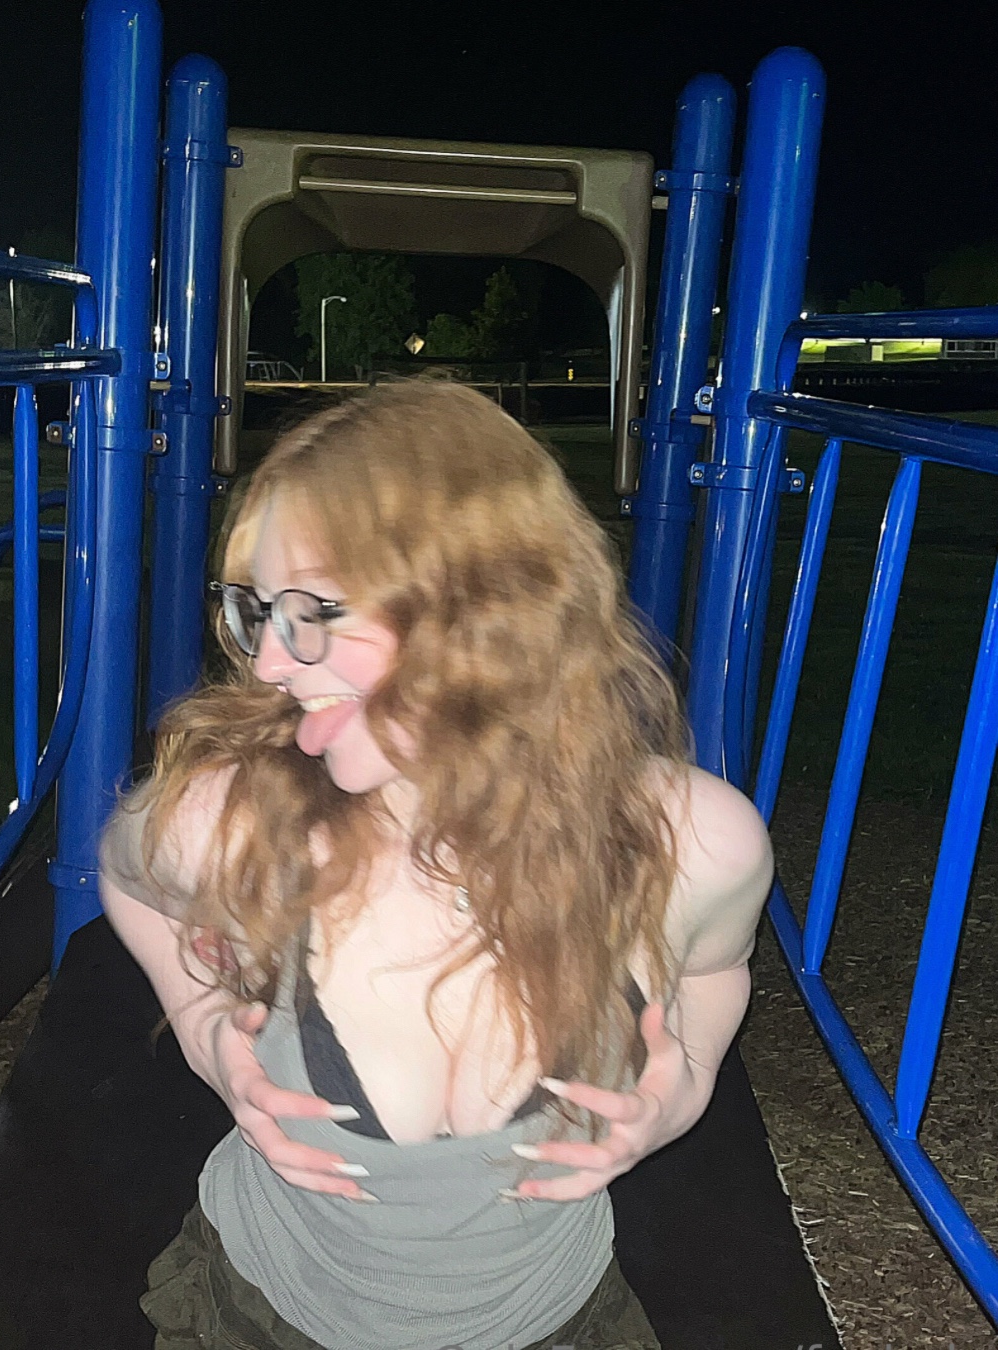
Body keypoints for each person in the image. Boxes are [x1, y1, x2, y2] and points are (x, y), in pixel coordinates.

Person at [98, 380, 773, 1350]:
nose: (271, 666)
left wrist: (683, 1089)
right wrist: (209, 1033)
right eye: (260, 613)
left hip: (558, 1323)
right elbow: (126, 876)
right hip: (261, 1315)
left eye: (312, 611)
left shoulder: (695, 842)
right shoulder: (231, 821)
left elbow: (714, 969)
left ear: (485, 607)